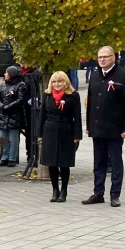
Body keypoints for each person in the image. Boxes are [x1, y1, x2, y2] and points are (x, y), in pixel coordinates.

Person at [83, 45, 125, 207]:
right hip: (97, 127)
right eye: (100, 58)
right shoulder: (95, 76)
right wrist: (89, 125)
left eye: (105, 57)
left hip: (115, 128)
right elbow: (90, 102)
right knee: (98, 162)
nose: (102, 60)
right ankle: (98, 193)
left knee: (115, 161)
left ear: (113, 57)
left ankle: (115, 194)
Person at [40, 71, 82, 203]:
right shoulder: (47, 95)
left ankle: (64, 190)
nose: (57, 84)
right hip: (50, 130)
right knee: (51, 163)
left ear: (65, 82)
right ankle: (55, 190)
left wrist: (77, 136)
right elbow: (42, 115)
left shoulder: (73, 96)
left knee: (64, 163)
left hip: (66, 130)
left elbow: (78, 116)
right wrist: (40, 134)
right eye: (54, 82)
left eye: (59, 81)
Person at [0, 67, 27, 167]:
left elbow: (21, 100)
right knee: (3, 138)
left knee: (13, 139)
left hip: (14, 116)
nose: (4, 75)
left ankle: (12, 158)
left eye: (6, 73)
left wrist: (8, 107)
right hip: (2, 116)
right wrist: (1, 106)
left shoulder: (20, 85)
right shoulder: (3, 85)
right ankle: (4, 157)